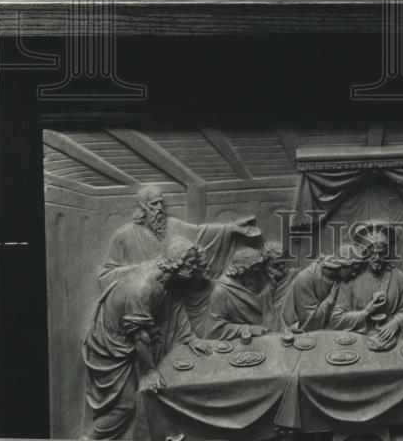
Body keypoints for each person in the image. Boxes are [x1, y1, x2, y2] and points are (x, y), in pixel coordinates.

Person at [83, 237, 211, 440]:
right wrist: (149, 371)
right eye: (191, 263)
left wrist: (190, 338)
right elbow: (140, 335)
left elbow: (175, 305)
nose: (195, 268)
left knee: (158, 388)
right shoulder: (143, 287)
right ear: (177, 263)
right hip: (111, 349)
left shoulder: (166, 280)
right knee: (123, 407)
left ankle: (163, 433)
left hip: (132, 340)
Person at [98, 184, 260, 333]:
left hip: (173, 301)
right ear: (141, 207)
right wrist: (144, 269)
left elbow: (199, 233)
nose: (160, 208)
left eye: (161, 203)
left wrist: (230, 228)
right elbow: (106, 275)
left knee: (213, 292)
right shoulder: (123, 236)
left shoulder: (173, 225)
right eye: (154, 204)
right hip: (142, 303)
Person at [332, 225, 403, 346]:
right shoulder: (351, 280)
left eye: (381, 253)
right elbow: (336, 320)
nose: (377, 258)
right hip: (356, 342)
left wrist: (396, 322)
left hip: (393, 340)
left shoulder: (399, 278)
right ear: (364, 253)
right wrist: (365, 312)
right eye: (372, 253)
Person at [281, 251, 357, 332]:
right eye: (353, 269)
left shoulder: (339, 279)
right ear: (342, 265)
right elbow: (308, 323)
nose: (354, 274)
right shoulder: (305, 278)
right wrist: (330, 299)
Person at [204, 247, 268, 339]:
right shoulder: (222, 291)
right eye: (255, 271)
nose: (258, 276)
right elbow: (213, 331)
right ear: (242, 270)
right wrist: (247, 329)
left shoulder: (252, 283)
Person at [260, 240, 296, 332]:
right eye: (276, 264)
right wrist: (271, 286)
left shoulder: (294, 276)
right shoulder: (259, 281)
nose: (281, 267)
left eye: (283, 263)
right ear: (266, 263)